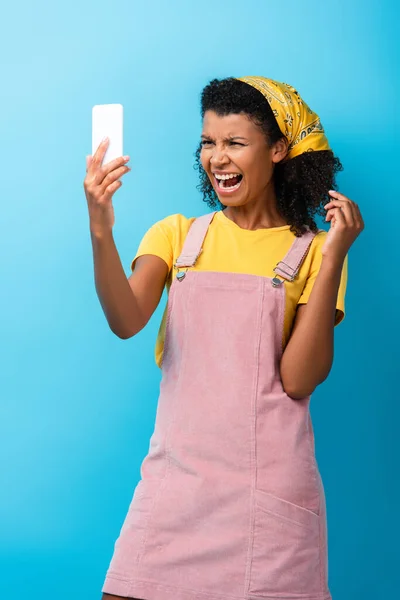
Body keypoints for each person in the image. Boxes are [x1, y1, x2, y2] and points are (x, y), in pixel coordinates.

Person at [84, 76, 364, 600]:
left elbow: (299, 379)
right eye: (209, 142)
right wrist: (101, 226)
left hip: (268, 498)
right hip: (176, 486)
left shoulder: (317, 251)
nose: (217, 157)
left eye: (235, 142)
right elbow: (125, 320)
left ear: (278, 149)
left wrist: (334, 258)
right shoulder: (177, 235)